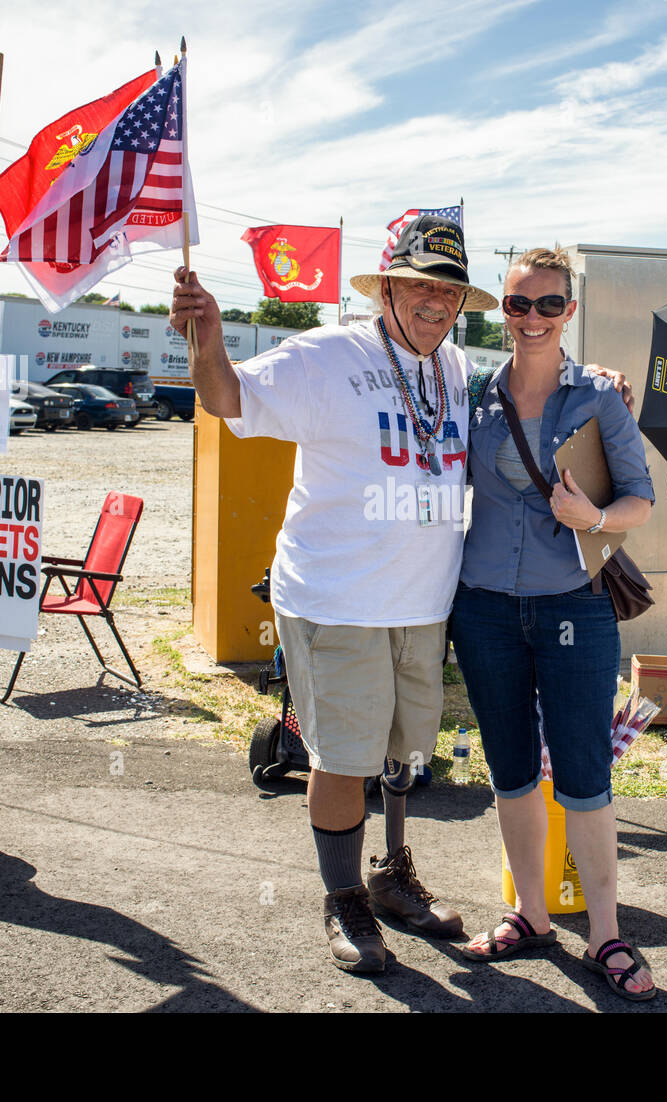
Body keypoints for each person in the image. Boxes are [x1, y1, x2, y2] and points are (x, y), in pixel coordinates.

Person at [169, 215, 500, 974]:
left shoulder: (452, 366)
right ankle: (343, 899)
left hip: (422, 603)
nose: (434, 302)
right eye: (418, 285)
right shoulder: (327, 354)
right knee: (341, 758)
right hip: (337, 600)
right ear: (385, 287)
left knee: (404, 754)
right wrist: (206, 336)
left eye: (448, 290)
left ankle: (391, 873)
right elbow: (227, 397)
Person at [450, 247, 659, 1001]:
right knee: (509, 772)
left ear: (569, 311)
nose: (531, 317)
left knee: (583, 778)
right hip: (482, 608)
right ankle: (530, 916)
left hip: (574, 603)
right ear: (500, 310)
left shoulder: (598, 396)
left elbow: (640, 498)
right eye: (517, 304)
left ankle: (605, 932)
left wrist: (593, 516)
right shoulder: (472, 391)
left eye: (547, 305)